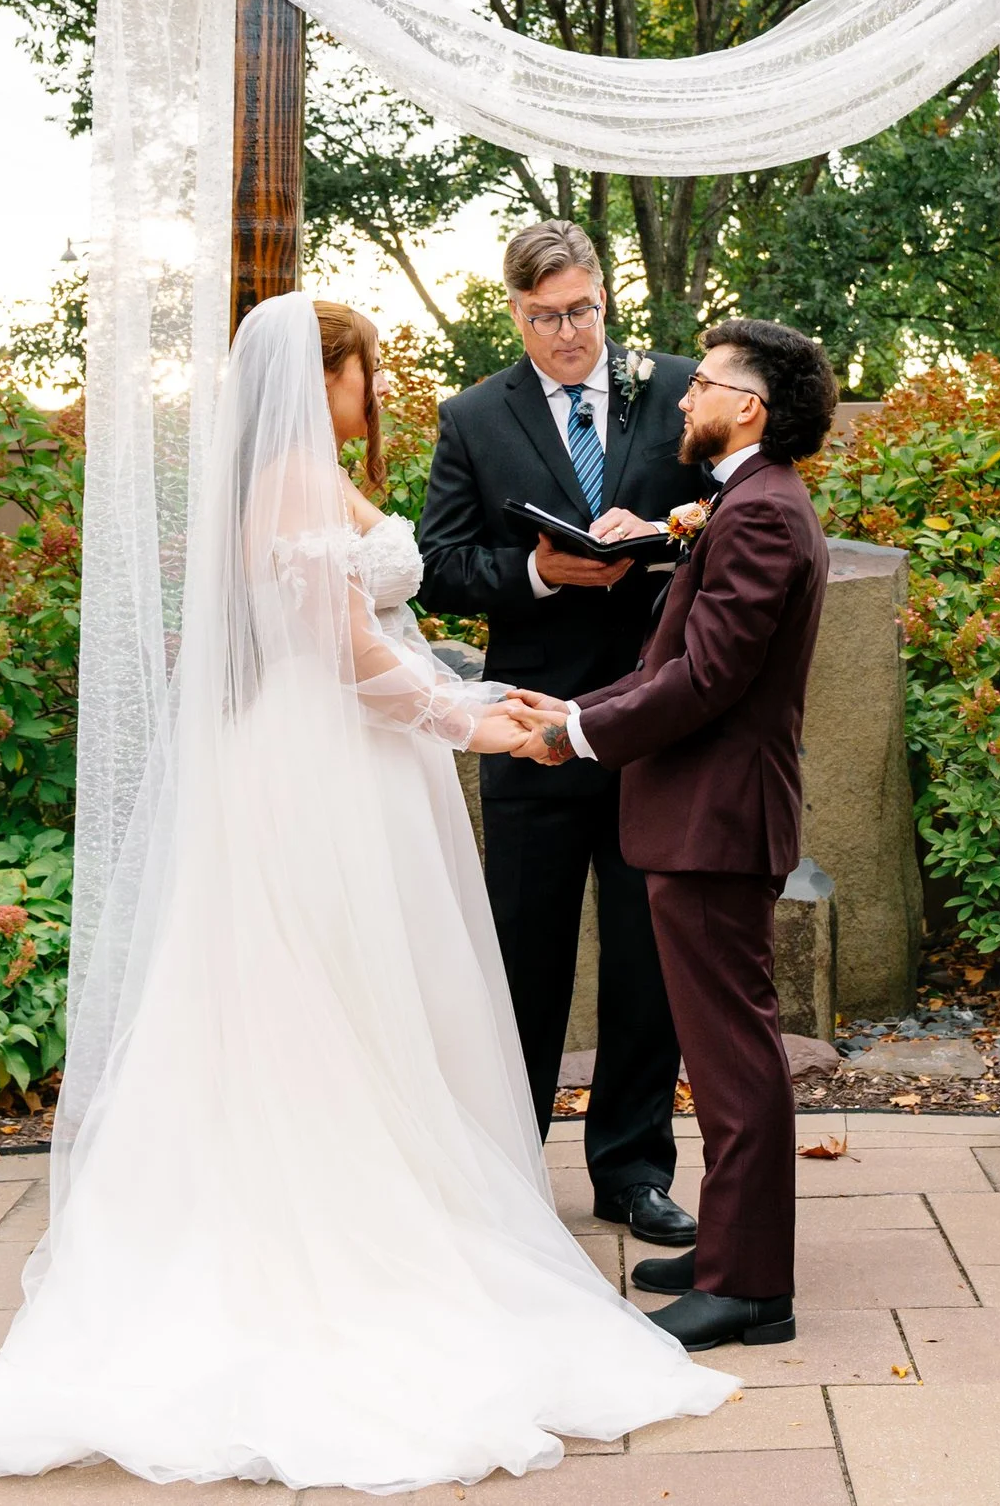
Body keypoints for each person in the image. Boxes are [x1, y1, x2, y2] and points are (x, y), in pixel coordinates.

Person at [0, 297, 732, 1492]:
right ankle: (326, 1234)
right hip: (324, 764)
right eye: (363, 367)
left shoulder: (300, 473)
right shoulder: (289, 479)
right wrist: (473, 722)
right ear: (322, 374)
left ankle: (369, 1203)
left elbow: (378, 628)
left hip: (349, 756)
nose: (373, 388)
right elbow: (346, 653)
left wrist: (468, 692)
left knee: (351, 1001)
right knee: (324, 996)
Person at [507, 318, 840, 1353]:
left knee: (735, 1057)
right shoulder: (744, 503)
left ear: (749, 406)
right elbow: (670, 658)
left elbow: (708, 678)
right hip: (700, 809)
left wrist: (578, 731)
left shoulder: (762, 514)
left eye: (704, 384)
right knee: (721, 1047)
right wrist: (570, 708)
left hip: (716, 813)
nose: (684, 397)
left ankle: (747, 1288)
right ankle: (725, 1251)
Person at [415, 221, 714, 1250]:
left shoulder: (673, 384)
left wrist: (663, 531)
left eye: (581, 310)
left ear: (605, 298)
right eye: (544, 316)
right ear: (514, 311)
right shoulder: (472, 416)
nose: (566, 332)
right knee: (521, 958)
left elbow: (736, 508)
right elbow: (439, 563)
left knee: (646, 955)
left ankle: (634, 1171)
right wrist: (546, 572)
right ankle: (504, 1170)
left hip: (649, 721)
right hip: (531, 725)